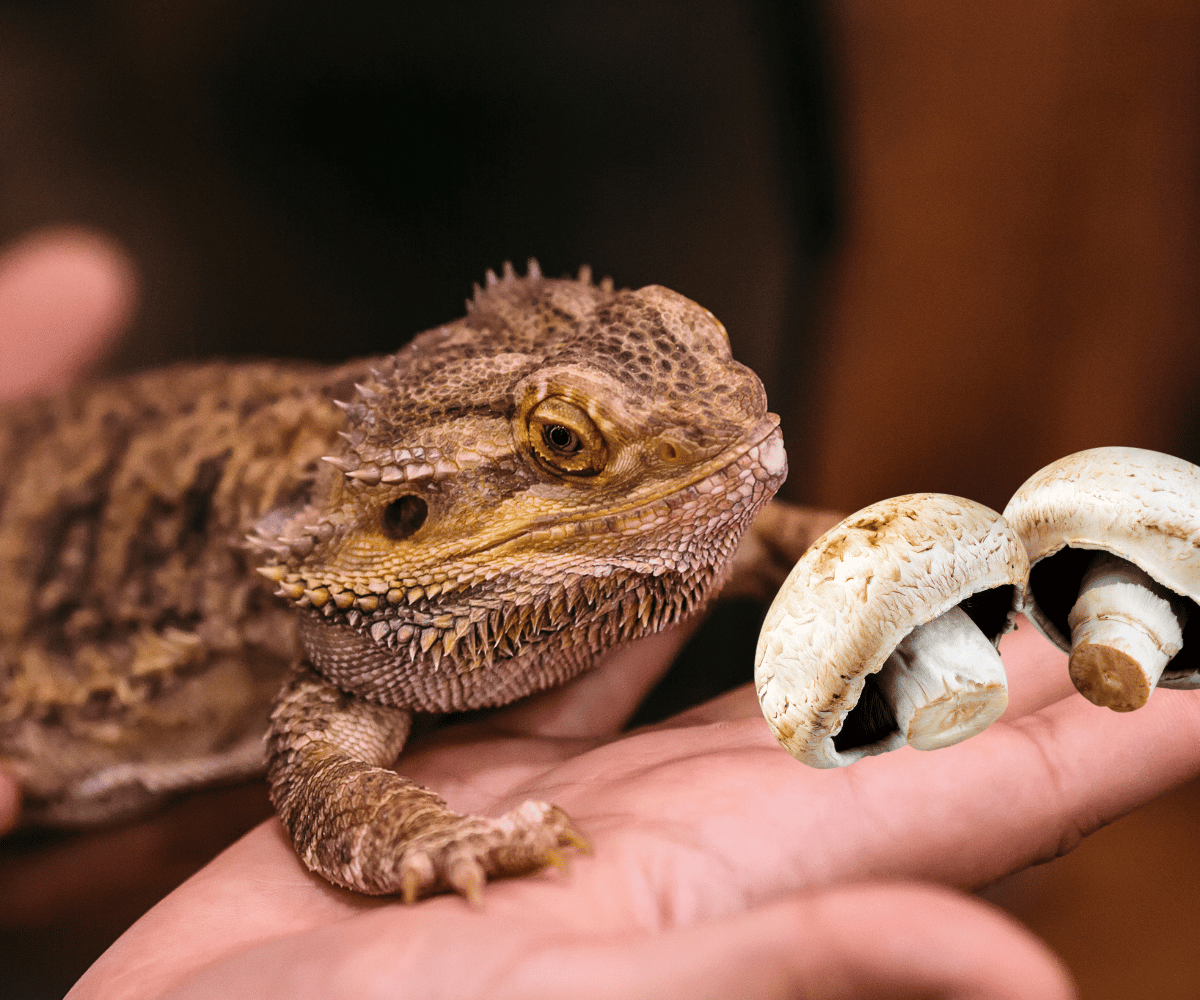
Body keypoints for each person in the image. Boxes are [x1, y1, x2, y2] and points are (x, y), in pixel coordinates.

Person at [7, 228, 1199, 1000]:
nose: (745, 427)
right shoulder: (355, 606)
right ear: (413, 515)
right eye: (571, 447)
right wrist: (444, 841)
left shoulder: (567, 483)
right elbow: (322, 780)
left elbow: (742, 521)